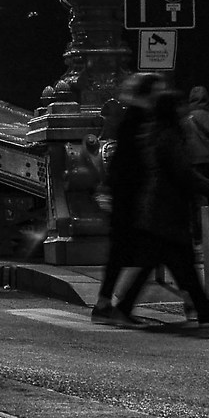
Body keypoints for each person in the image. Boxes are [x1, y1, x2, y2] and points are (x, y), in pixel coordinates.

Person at [115, 87, 209, 325]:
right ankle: (204, 311)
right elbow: (184, 174)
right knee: (183, 265)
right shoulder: (170, 136)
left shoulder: (156, 133)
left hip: (157, 211)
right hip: (168, 212)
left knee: (169, 265)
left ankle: (125, 308)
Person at [91, 73, 164, 324]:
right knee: (149, 251)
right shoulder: (141, 118)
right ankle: (120, 307)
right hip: (132, 198)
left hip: (124, 197)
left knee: (120, 253)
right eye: (157, 91)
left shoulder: (130, 116)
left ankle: (105, 305)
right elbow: (137, 161)